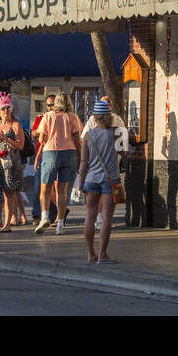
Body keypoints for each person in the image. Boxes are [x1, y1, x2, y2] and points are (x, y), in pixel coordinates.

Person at [77, 98, 121, 263]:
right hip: (110, 180)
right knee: (107, 218)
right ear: (108, 116)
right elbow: (124, 152)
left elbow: (83, 162)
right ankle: (103, 254)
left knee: (90, 216)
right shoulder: (116, 133)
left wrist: (81, 182)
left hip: (91, 179)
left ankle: (90, 254)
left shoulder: (88, 135)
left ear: (95, 117)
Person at [35, 93, 82, 235]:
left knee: (45, 189)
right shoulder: (73, 117)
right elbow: (77, 138)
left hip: (51, 152)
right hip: (69, 153)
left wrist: (38, 156)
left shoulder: (48, 116)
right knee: (62, 191)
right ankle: (60, 224)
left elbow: (42, 138)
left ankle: (44, 216)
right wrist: (80, 157)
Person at [0, 96, 24, 234]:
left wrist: (6, 139)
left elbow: (20, 145)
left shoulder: (15, 125)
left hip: (10, 160)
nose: (6, 110)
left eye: (8, 107)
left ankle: (7, 224)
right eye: (3, 108)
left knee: (9, 191)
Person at [30, 94, 56, 224]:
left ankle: (54, 215)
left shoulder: (61, 118)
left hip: (55, 154)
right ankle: (37, 214)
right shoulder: (42, 118)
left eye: (53, 104)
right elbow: (34, 133)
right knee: (38, 186)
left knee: (53, 188)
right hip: (42, 155)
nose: (51, 107)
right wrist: (43, 129)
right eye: (49, 105)